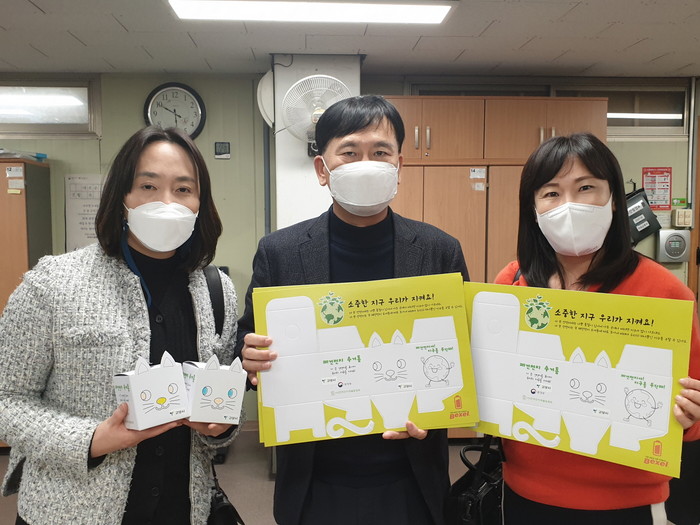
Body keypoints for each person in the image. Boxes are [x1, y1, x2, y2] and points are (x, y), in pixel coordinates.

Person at [236, 95, 469, 525]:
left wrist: (443, 402)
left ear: (399, 165)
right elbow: (246, 344)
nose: (367, 164)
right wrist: (249, 357)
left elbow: (460, 354)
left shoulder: (439, 250)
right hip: (314, 480)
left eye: (380, 152)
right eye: (349, 152)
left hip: (411, 479)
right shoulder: (280, 252)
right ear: (322, 169)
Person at [0, 127, 240, 525]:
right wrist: (92, 440)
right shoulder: (53, 283)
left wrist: (220, 427)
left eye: (183, 189)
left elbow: (221, 404)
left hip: (182, 508)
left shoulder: (217, 291)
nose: (167, 202)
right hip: (71, 511)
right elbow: (7, 399)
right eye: (148, 186)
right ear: (121, 197)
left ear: (200, 203)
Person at [495, 132, 700, 525]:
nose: (568, 204)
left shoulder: (666, 292)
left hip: (626, 502)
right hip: (525, 492)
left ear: (614, 198)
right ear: (533, 208)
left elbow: (692, 413)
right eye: (551, 193)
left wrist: (689, 415)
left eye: (586, 187)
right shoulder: (513, 283)